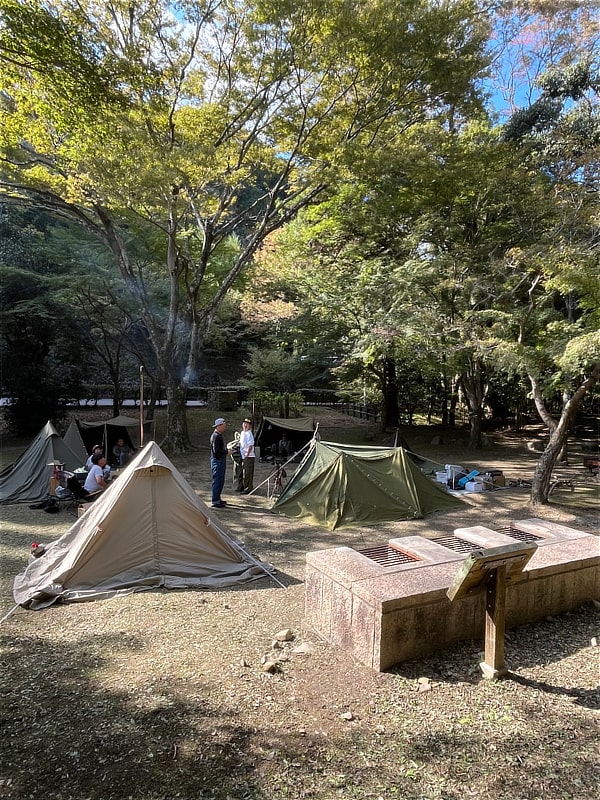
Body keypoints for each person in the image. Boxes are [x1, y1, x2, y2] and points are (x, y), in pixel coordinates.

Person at [209, 418, 228, 508]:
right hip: (217, 461)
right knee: (217, 480)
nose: (225, 428)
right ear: (219, 426)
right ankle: (215, 500)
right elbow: (217, 451)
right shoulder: (216, 436)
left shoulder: (219, 435)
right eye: (223, 426)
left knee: (221, 480)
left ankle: (218, 497)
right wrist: (227, 452)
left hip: (220, 460)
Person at [239, 417, 255, 494]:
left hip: (248, 456)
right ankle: (242, 486)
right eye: (244, 424)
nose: (245, 425)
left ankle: (248, 488)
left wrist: (247, 455)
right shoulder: (242, 433)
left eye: (247, 424)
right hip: (243, 455)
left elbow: (250, 445)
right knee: (242, 472)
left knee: (248, 473)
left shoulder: (249, 434)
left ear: (250, 426)